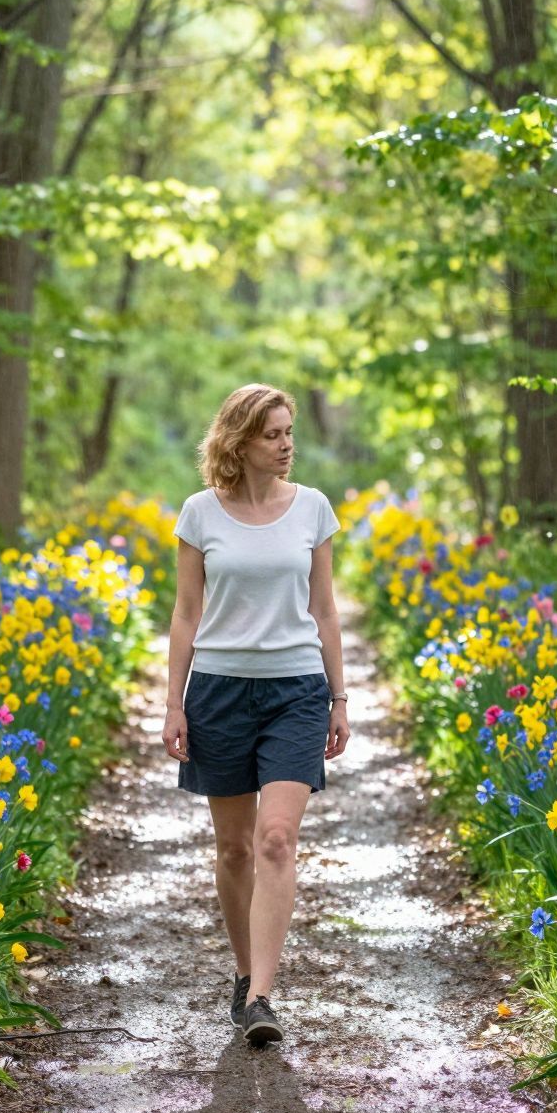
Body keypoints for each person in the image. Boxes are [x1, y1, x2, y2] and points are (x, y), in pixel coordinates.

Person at [163, 384, 350, 1049]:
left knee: (276, 839)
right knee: (235, 848)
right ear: (238, 441)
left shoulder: (313, 511)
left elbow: (325, 610)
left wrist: (339, 697)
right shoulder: (199, 514)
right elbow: (186, 614)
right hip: (218, 692)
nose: (286, 444)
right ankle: (244, 976)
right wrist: (173, 702)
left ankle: (264, 996)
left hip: (295, 692)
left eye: (289, 431)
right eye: (272, 434)